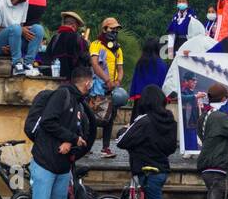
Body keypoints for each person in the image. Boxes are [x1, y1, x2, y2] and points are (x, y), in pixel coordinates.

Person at [28, 59, 96, 199]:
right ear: (87, 83)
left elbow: (76, 128)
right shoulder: (62, 95)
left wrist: (72, 141)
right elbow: (48, 122)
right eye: (91, 82)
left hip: (62, 166)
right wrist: (71, 139)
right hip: (45, 161)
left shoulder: (77, 102)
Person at [116, 83, 179, 199]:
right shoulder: (170, 121)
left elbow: (121, 141)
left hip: (144, 172)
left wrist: (126, 131)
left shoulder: (144, 120)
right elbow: (170, 148)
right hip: (160, 171)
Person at [90, 17, 129, 156]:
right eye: (112, 29)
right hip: (99, 86)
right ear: (104, 29)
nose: (114, 32)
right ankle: (88, 146)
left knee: (110, 118)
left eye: (116, 29)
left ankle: (105, 147)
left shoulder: (118, 49)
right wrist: (106, 79)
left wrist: (117, 81)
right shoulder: (96, 44)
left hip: (112, 88)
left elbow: (120, 68)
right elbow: (94, 64)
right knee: (94, 117)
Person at [127, 36, 168, 117]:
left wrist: (133, 94)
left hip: (140, 99)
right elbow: (164, 83)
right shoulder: (162, 65)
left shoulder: (140, 63)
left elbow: (135, 81)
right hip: (156, 101)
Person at [45, 11, 87, 79]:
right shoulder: (77, 38)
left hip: (55, 78)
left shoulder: (55, 38)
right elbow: (84, 57)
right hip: (73, 79)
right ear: (74, 26)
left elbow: (48, 57)